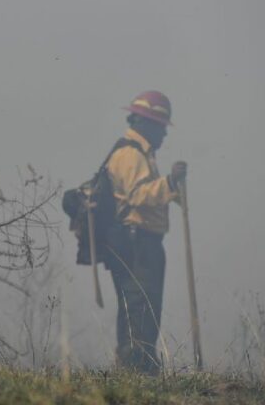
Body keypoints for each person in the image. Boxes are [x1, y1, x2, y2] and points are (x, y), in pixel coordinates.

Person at [104, 90, 186, 375]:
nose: (164, 135)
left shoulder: (140, 154)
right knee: (139, 308)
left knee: (143, 308)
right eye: (161, 127)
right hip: (136, 243)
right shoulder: (130, 154)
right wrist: (170, 183)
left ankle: (141, 367)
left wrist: (170, 187)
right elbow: (138, 195)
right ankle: (136, 370)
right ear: (145, 123)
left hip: (142, 242)